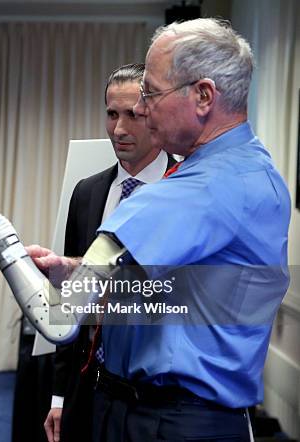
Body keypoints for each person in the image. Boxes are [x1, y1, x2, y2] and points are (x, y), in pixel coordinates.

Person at [28, 18, 290, 440]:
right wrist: (72, 270)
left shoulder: (205, 189)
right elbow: (162, 292)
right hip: (149, 408)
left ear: (203, 95)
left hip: (172, 420)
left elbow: (64, 311)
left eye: (150, 93)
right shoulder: (245, 171)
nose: (142, 108)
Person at [41, 63, 176, 442]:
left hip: (159, 399)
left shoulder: (186, 190)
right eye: (112, 114)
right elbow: (68, 301)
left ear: (155, 115)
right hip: (92, 388)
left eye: (133, 115)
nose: (119, 129)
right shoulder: (87, 193)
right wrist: (59, 395)